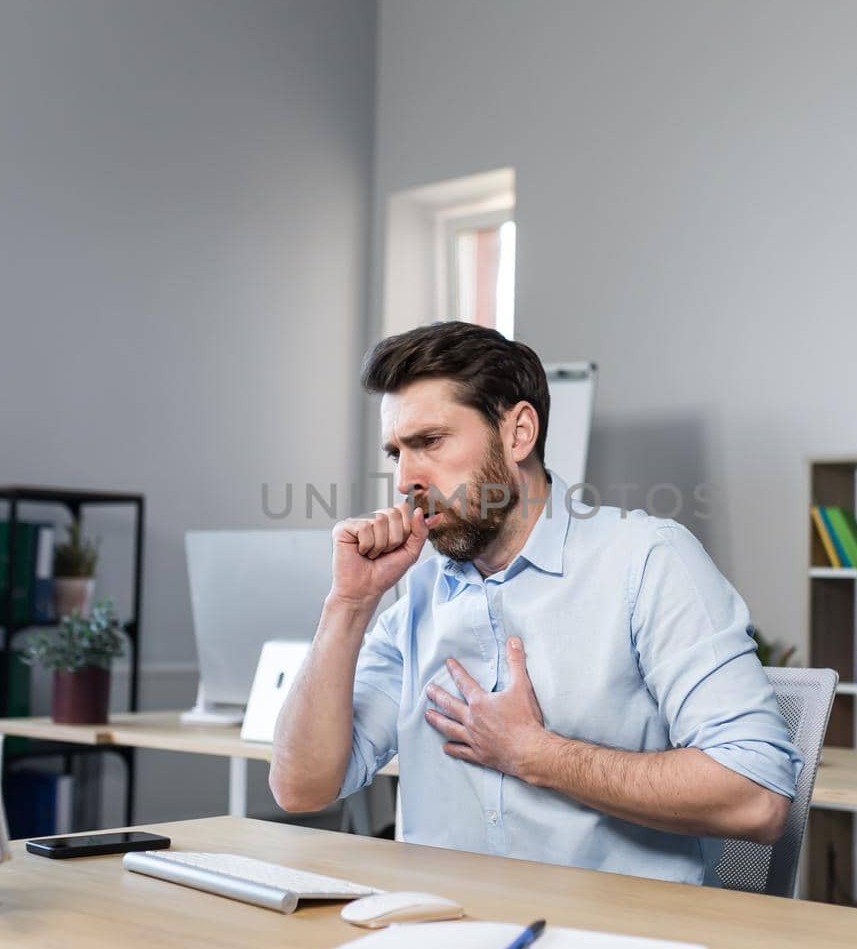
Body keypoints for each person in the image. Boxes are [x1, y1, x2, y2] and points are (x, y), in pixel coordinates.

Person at [269, 321, 800, 884]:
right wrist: (349, 605)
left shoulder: (646, 562)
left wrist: (534, 754)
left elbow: (757, 797)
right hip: (442, 938)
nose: (405, 479)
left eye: (430, 442)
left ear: (519, 433)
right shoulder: (418, 596)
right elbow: (301, 788)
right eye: (396, 452)